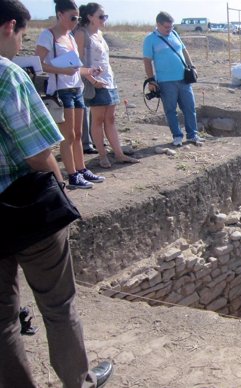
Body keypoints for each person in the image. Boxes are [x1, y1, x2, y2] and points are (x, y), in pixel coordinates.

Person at [0, 0, 113, 386]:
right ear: (8, 26)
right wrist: (59, 188)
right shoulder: (6, 75)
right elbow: (38, 153)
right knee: (59, 306)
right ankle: (77, 382)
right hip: (27, 206)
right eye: (22, 36)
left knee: (1, 322)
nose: (21, 45)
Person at [35, 0, 105, 188]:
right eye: (72, 17)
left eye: (78, 18)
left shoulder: (71, 37)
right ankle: (73, 175)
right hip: (60, 91)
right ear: (60, 15)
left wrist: (89, 71)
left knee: (78, 134)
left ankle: (81, 169)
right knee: (68, 135)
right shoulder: (47, 35)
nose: (75, 21)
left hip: (76, 89)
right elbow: (38, 64)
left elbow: (75, 67)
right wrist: (62, 71)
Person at [75, 2, 138, 168]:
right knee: (98, 120)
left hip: (109, 80)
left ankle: (119, 154)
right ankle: (102, 156)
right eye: (101, 16)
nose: (105, 19)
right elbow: (78, 63)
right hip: (95, 83)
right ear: (90, 17)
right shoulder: (82, 34)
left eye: (105, 16)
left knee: (110, 119)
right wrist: (92, 80)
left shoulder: (100, 34)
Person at [143, 11, 203, 147]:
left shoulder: (175, 34)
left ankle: (193, 135)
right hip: (165, 81)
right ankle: (177, 136)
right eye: (166, 27)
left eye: (171, 27)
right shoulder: (150, 39)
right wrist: (151, 80)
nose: (169, 30)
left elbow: (184, 50)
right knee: (170, 110)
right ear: (158, 25)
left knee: (189, 107)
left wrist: (192, 66)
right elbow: (147, 61)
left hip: (184, 79)